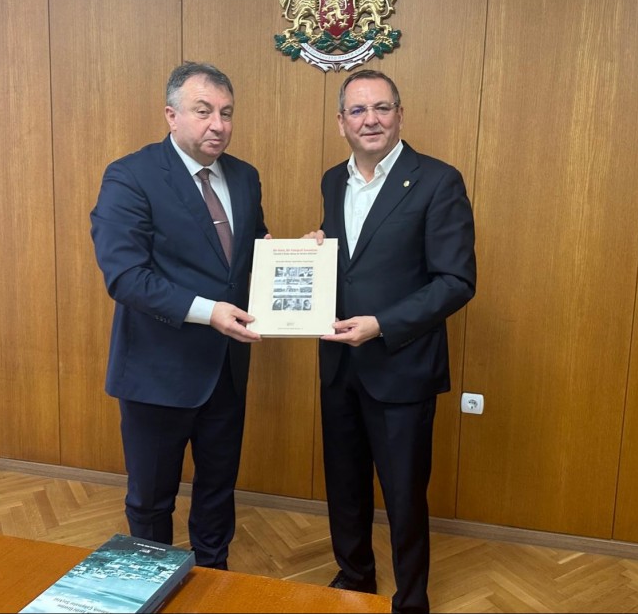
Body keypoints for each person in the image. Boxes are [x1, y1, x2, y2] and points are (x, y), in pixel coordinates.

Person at [304, 69, 476, 613]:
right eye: (358, 110)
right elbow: (354, 264)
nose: (370, 120)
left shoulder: (438, 181)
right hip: (339, 362)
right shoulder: (333, 181)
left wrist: (382, 323)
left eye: (381, 108)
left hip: (402, 365)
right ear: (341, 122)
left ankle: (411, 598)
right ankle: (354, 577)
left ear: (400, 114)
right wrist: (315, 251)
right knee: (344, 484)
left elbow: (455, 281)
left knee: (404, 494)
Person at [90, 61, 270, 569]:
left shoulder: (244, 176)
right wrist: (209, 312)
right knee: (151, 500)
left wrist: (297, 257)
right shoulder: (131, 176)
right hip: (156, 371)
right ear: (171, 115)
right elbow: (125, 275)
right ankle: (151, 582)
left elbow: (250, 253)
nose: (219, 125)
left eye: (227, 113)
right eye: (203, 111)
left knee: (218, 490)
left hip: (226, 369)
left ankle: (214, 578)